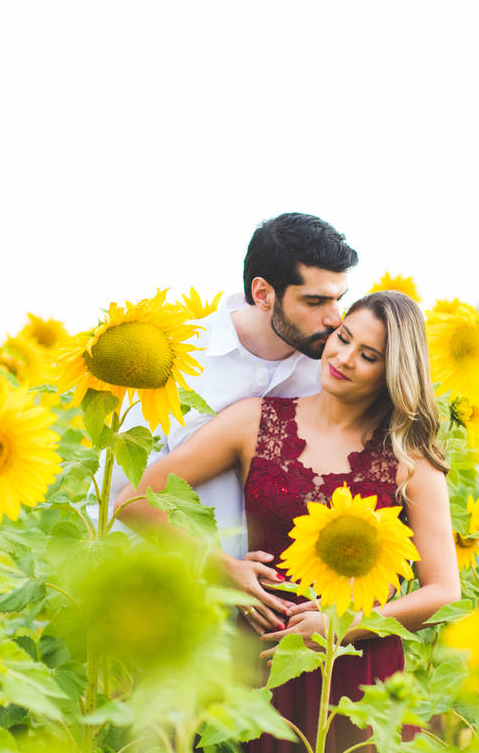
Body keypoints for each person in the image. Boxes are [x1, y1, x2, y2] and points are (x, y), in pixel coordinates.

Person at [115, 291, 460, 753]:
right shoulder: (255, 421)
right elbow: (135, 499)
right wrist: (219, 564)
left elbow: (443, 592)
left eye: (369, 355)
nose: (344, 357)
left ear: (392, 371)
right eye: (342, 338)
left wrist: (340, 627)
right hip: (259, 658)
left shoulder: (408, 460)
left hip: (356, 671)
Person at [89, 211, 359, 606]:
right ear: (264, 293)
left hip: (274, 609)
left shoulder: (331, 371)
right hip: (159, 594)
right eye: (314, 301)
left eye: (339, 299)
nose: (334, 318)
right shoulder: (174, 359)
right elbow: (122, 491)